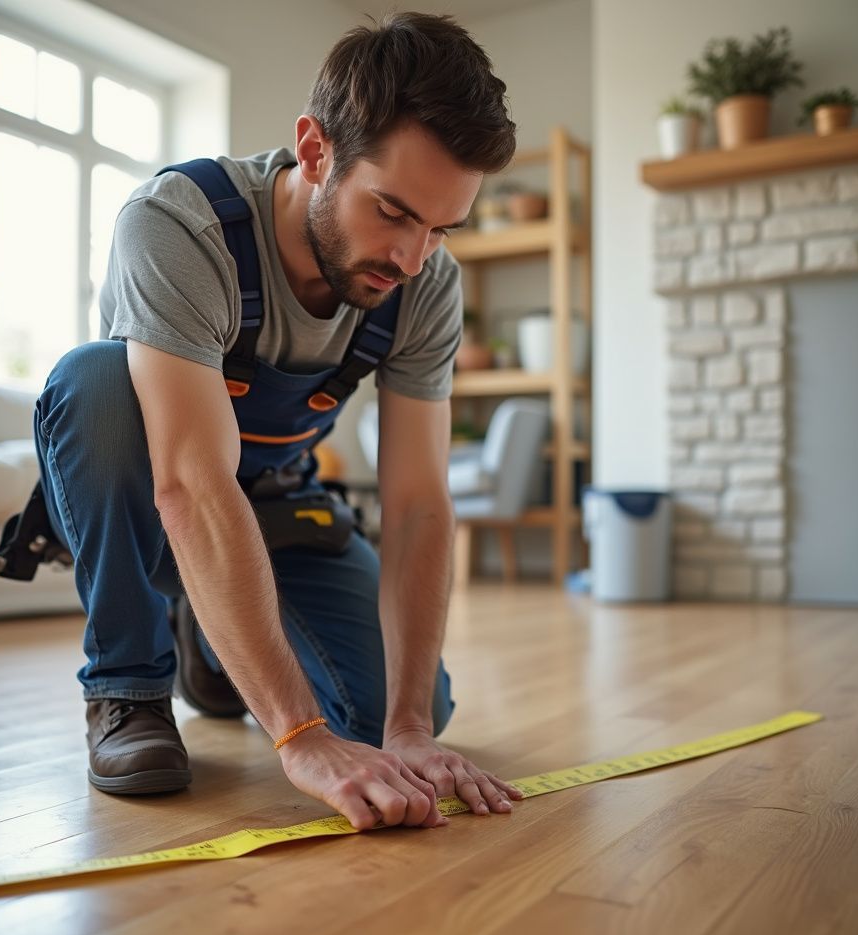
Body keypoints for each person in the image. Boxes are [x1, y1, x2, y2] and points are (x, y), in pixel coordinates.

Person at [33, 11, 524, 832]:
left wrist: (403, 727)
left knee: (401, 711)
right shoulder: (180, 224)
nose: (411, 258)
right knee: (97, 384)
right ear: (315, 149)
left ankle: (216, 637)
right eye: (394, 212)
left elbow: (416, 505)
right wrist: (298, 736)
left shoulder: (425, 285)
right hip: (154, 488)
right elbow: (189, 483)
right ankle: (128, 689)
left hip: (276, 503)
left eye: (441, 228)